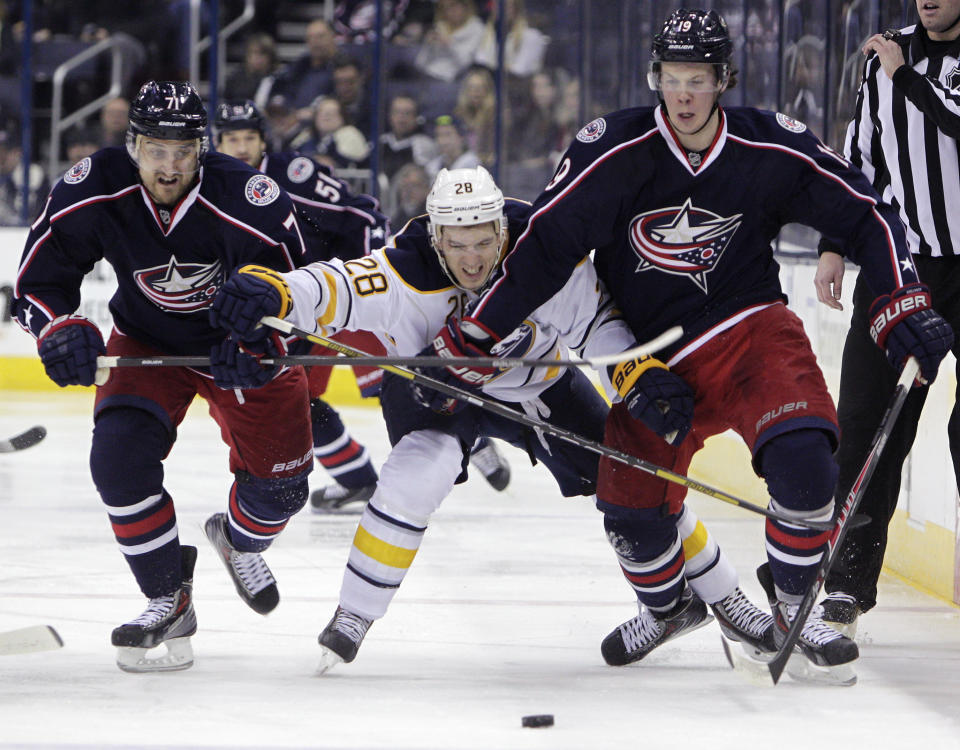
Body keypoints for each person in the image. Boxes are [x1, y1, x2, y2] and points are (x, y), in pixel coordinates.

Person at [425, 10, 953, 678]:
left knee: (805, 458)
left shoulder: (767, 145)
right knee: (628, 508)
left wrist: (900, 299)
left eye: (697, 79)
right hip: (653, 362)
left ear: (723, 79)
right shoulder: (613, 150)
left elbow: (866, 209)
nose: (682, 94)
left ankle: (792, 604)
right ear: (656, 78)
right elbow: (545, 249)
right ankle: (670, 608)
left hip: (751, 331)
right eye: (671, 78)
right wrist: (478, 331)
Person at [208, 165, 780, 673]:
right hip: (434, 391)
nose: (473, 259)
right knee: (416, 473)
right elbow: (330, 286)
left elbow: (596, 324)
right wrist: (274, 293)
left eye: (484, 242)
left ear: (502, 232)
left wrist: (634, 375)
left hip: (541, 384)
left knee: (634, 479)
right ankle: (353, 617)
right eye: (457, 245)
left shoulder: (541, 253)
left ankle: (726, 601)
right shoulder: (402, 271)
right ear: (436, 236)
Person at [12, 81, 316, 673]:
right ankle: (167, 597)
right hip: (147, 344)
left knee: (283, 489)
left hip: (238, 347)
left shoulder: (248, 197)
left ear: (201, 147)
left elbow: (305, 290)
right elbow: (37, 280)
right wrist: (55, 330)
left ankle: (238, 540)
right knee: (117, 462)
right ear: (133, 145)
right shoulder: (95, 185)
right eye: (155, 149)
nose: (169, 165)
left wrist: (265, 341)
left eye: (183, 150)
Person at [213, 100, 510, 510]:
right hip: (294, 307)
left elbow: (363, 214)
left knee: (403, 376)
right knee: (298, 401)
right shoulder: (215, 190)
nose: (241, 147)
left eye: (249, 138)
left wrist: (380, 276)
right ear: (218, 142)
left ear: (263, 140)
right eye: (232, 139)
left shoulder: (290, 175)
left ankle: (474, 440)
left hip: (347, 293)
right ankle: (358, 479)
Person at [813, 0, 960, 636]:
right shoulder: (882, 57)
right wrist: (834, 245)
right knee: (869, 428)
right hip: (898, 267)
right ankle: (844, 588)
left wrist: (906, 77)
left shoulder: (897, 66)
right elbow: (859, 163)